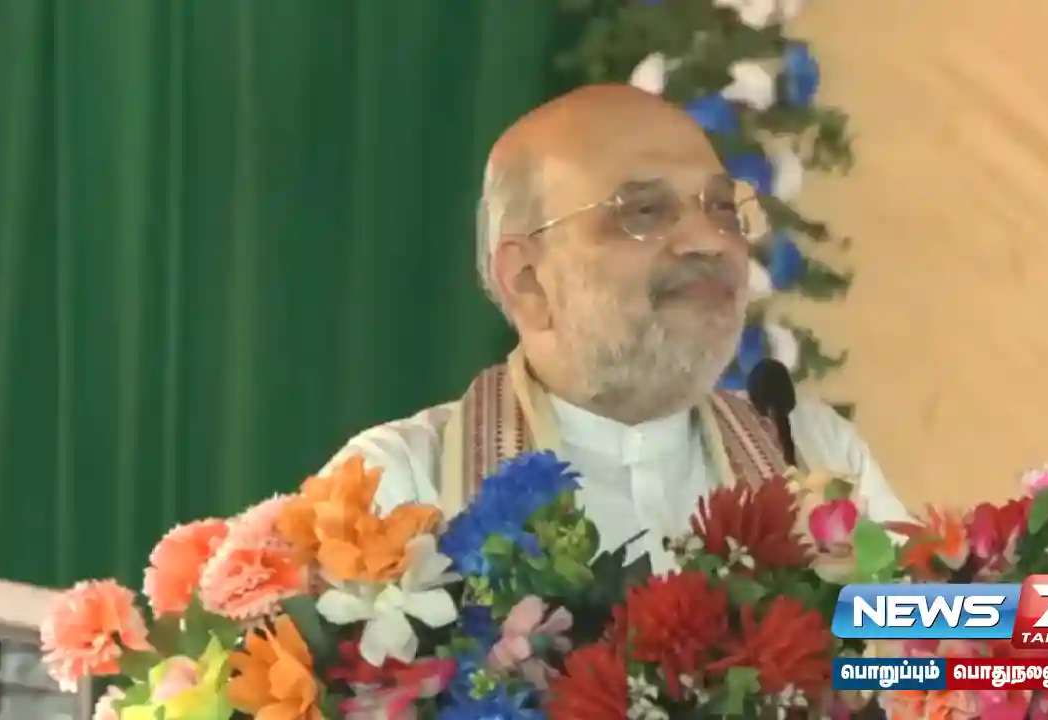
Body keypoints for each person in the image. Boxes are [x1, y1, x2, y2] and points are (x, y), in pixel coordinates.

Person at [321, 84, 908, 570]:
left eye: (722, 208)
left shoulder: (812, 451)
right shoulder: (394, 488)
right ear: (527, 279)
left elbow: (939, 654)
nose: (709, 241)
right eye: (644, 211)